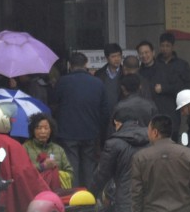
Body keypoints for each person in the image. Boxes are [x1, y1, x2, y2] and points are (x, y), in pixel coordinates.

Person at [50, 51, 110, 188]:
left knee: (72, 166)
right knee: (89, 166)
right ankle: (90, 198)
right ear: (86, 64)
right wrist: (100, 130)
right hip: (91, 131)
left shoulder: (62, 82)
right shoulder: (97, 83)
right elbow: (105, 111)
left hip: (68, 132)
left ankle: (74, 199)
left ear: (70, 65)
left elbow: (53, 104)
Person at [22, 113, 74, 191]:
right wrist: (43, 166)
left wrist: (55, 174)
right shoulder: (25, 148)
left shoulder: (59, 149)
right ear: (33, 130)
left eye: (46, 128)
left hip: (57, 193)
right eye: (39, 128)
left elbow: (70, 172)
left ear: (51, 130)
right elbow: (23, 171)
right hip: (33, 193)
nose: (43, 131)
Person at [137, 40, 175, 136]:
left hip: (164, 114)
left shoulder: (166, 69)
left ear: (153, 53)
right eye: (141, 53)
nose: (144, 56)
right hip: (146, 117)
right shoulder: (138, 73)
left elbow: (177, 86)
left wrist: (163, 88)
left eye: (146, 52)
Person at [158, 32, 190, 103]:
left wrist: (165, 89)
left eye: (167, 46)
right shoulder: (154, 64)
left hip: (177, 104)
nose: (164, 49)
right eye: (162, 46)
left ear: (173, 47)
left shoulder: (182, 65)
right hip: (158, 104)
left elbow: (186, 86)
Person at [96, 43, 125, 109]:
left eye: (119, 56)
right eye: (113, 56)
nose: (117, 59)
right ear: (107, 58)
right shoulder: (99, 74)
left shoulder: (125, 73)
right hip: (104, 113)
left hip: (121, 113)